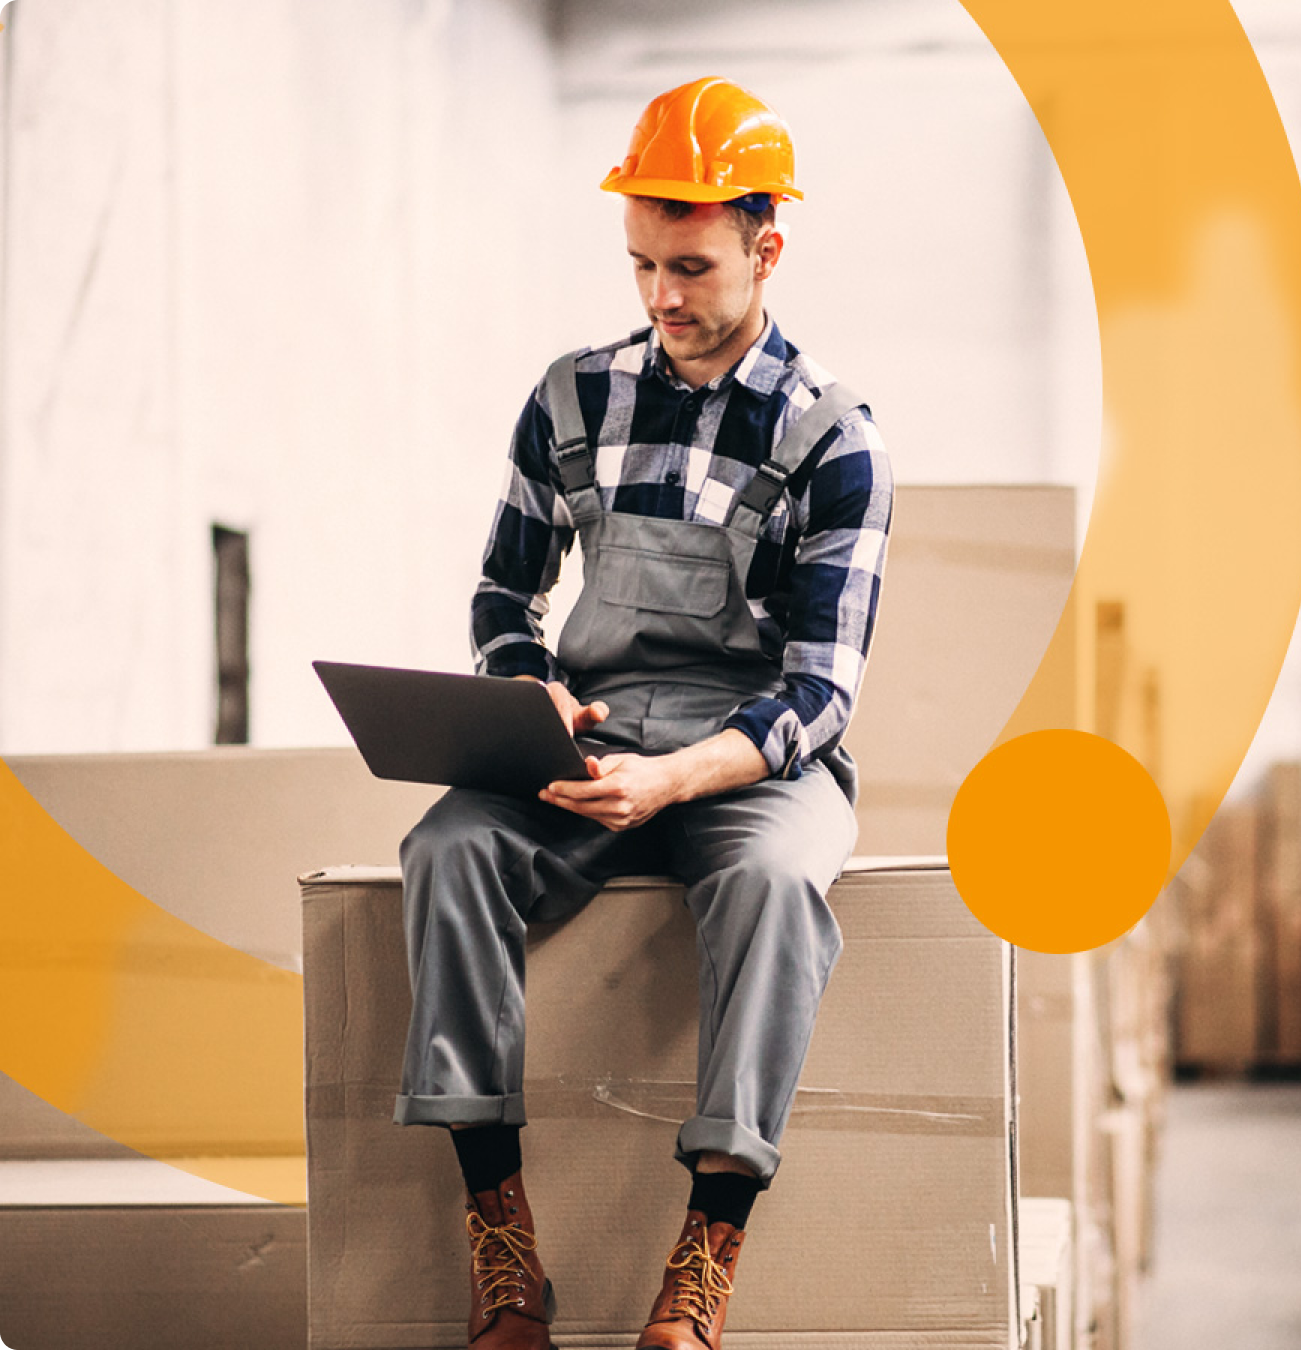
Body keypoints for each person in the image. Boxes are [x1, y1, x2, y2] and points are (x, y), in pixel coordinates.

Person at [395, 76, 893, 1350]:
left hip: (755, 755)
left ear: (763, 246)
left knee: (780, 886)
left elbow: (823, 692)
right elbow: (506, 587)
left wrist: (678, 781)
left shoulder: (833, 437)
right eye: (639, 265)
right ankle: (500, 1236)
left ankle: (707, 1246)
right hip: (593, 731)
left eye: (690, 265)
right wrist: (529, 686)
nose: (662, 297)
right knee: (444, 848)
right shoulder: (570, 397)